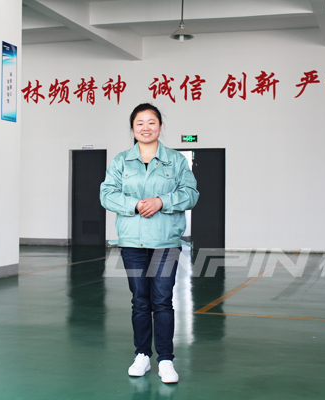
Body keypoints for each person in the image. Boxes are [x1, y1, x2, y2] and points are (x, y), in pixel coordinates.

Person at [100, 103, 199, 384]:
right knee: (140, 301)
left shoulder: (175, 161)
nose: (146, 128)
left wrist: (161, 202)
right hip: (132, 244)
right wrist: (134, 205)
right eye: (140, 123)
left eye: (151, 122)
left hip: (165, 243)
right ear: (133, 128)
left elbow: (191, 193)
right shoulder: (121, 161)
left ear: (160, 126)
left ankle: (165, 360)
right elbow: (107, 194)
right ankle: (142, 355)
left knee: (163, 301)